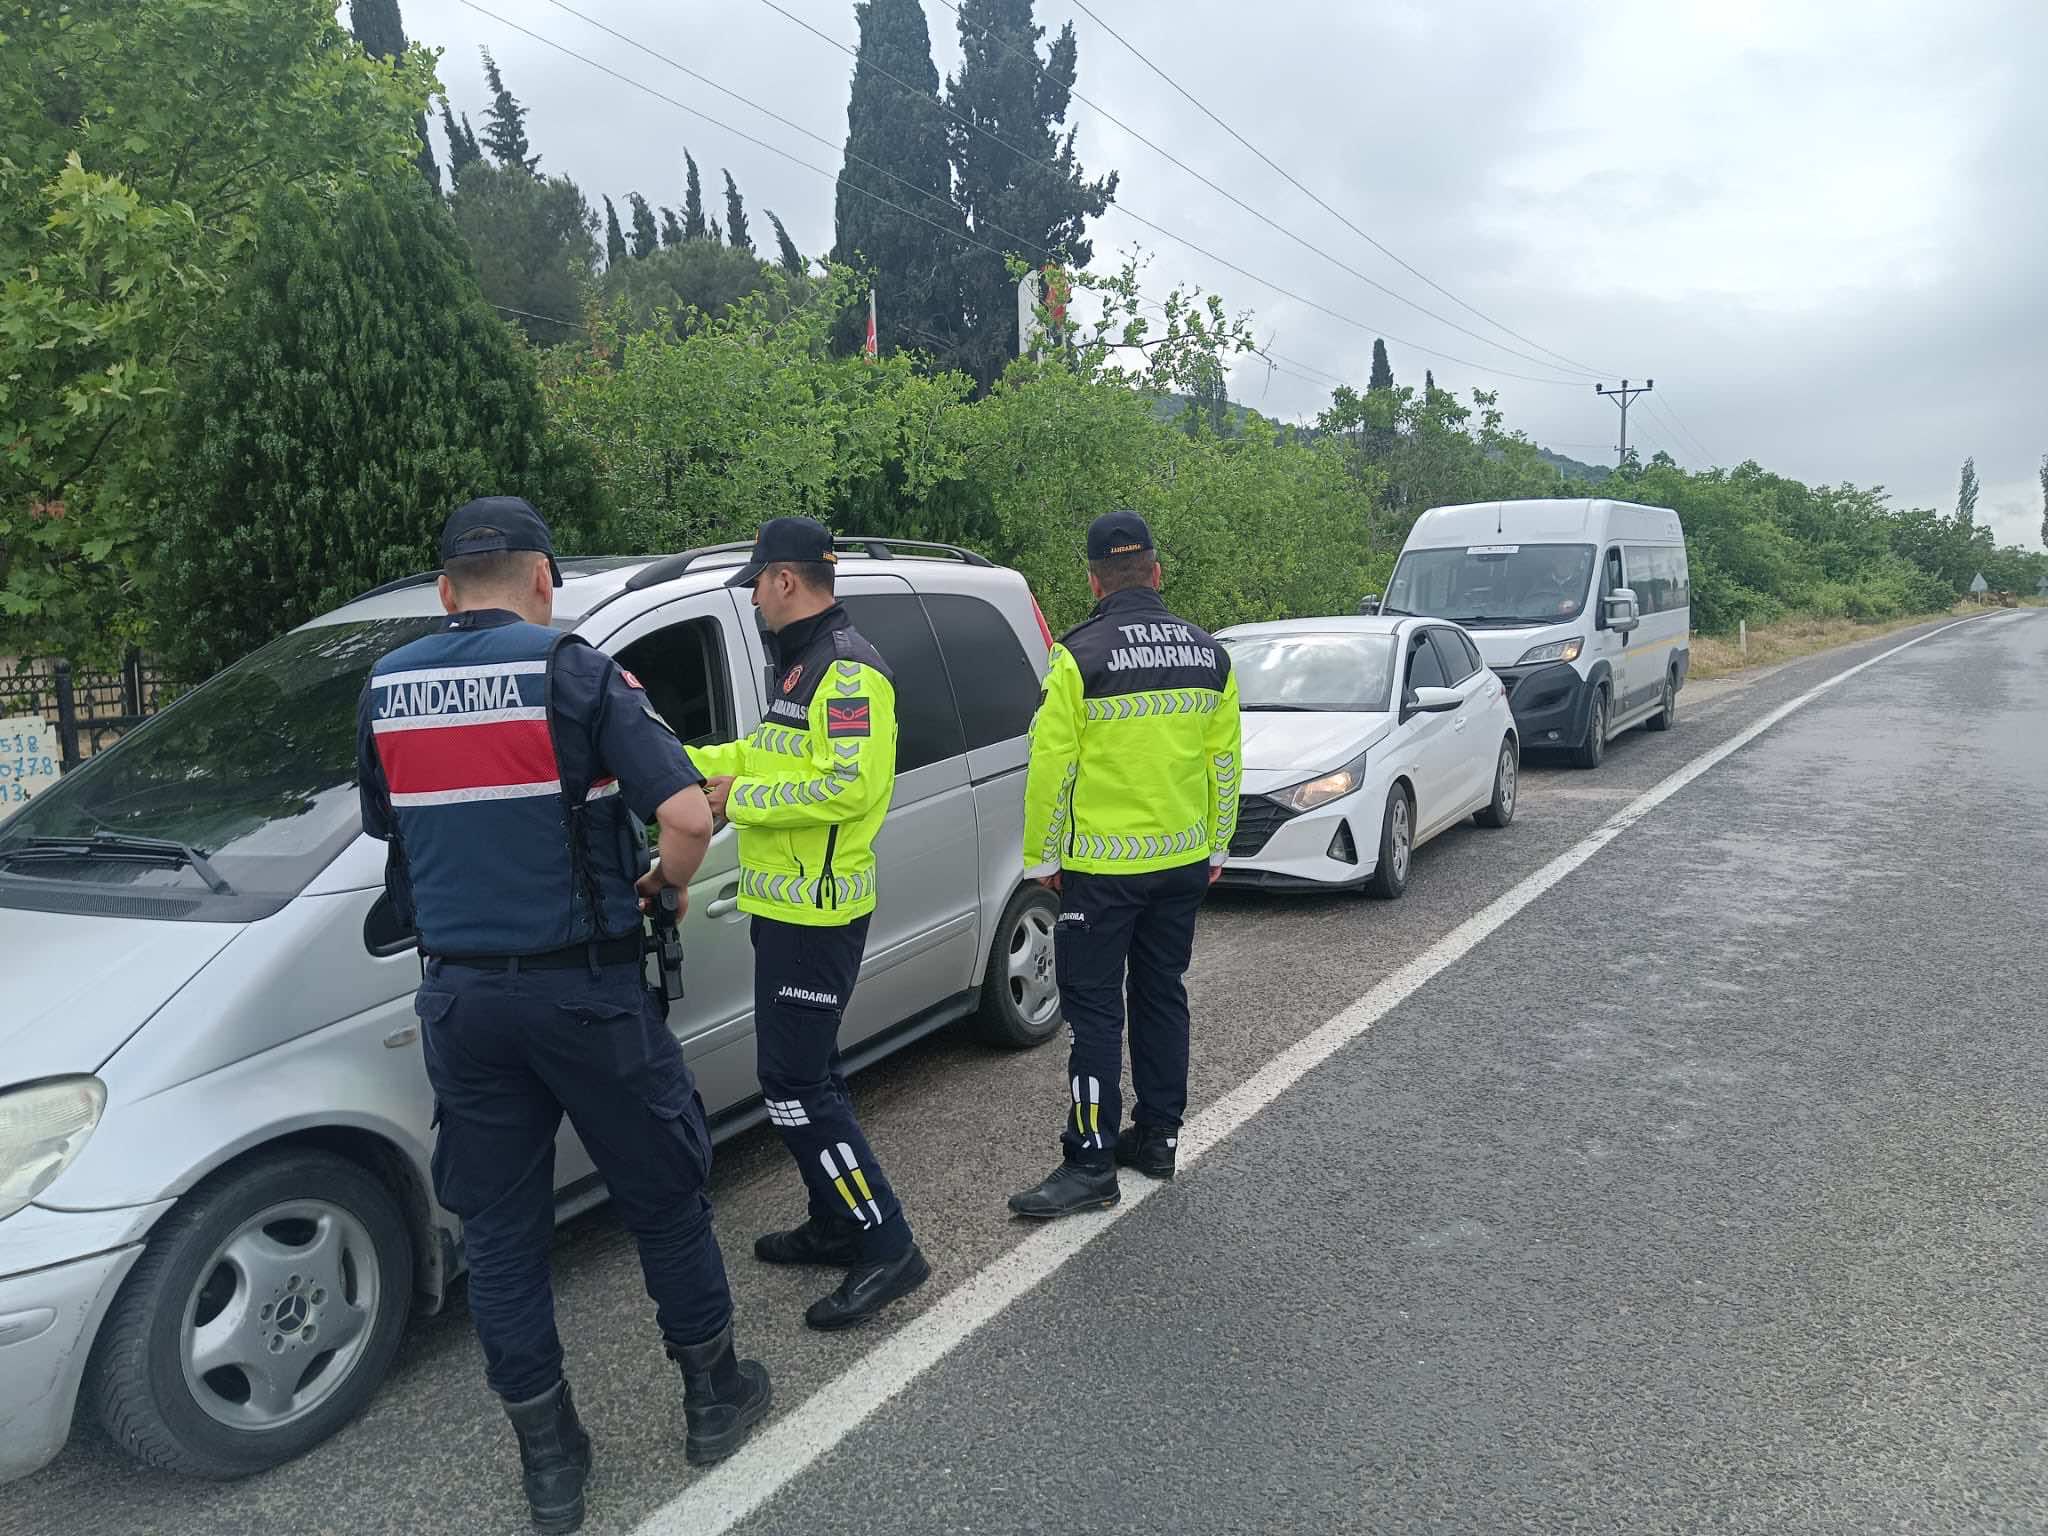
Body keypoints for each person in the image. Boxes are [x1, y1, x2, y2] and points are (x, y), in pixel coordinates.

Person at [356, 498, 770, 1535]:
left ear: (444, 590)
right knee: (663, 1196)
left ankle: (551, 1466)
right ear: (544, 579)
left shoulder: (388, 686)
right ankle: (713, 1400)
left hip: (460, 999)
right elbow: (685, 813)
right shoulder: (573, 671)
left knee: (500, 1236)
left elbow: (389, 825)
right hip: (584, 992)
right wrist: (666, 883)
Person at [687, 516, 929, 1329]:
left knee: (793, 1087)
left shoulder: (847, 671)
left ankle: (886, 1242)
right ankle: (835, 1221)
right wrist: (676, 762)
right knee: (812, 1075)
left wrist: (740, 800)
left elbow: (849, 788)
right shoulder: (802, 665)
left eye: (757, 583)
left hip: (818, 914)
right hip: (785, 908)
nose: (754, 598)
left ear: (785, 580)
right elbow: (763, 753)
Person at [1008, 510, 1243, 1219]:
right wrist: (1217, 846)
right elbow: (1225, 762)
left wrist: (1042, 859)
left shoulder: (1078, 656)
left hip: (1102, 871)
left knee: (1093, 1013)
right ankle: (1158, 1138)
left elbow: (1051, 767)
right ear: (1156, 573)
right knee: (1162, 993)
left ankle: (1090, 1162)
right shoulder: (1210, 655)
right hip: (1183, 863)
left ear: (1093, 581)